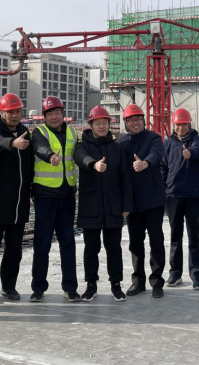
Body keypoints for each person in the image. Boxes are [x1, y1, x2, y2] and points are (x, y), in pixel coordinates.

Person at [74, 105, 133, 302]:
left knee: (114, 248)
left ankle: (116, 284)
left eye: (104, 123)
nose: (101, 126)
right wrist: (94, 164)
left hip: (113, 205)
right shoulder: (82, 146)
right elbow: (80, 158)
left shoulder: (117, 148)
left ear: (109, 124)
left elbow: (125, 177)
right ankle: (91, 285)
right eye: (97, 123)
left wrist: (126, 205)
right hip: (90, 205)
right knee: (91, 249)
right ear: (90, 125)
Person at [0, 93, 33, 304]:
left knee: (14, 250)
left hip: (18, 203)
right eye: (10, 112)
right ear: (1, 112)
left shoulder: (25, 132)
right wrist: (12, 143)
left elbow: (29, 165)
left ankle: (9, 286)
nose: (14, 115)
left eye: (17, 111)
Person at [30, 96, 80, 302]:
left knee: (68, 242)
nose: (54, 117)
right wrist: (50, 156)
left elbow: (79, 154)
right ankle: (38, 288)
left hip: (67, 196)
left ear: (62, 113)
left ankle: (70, 287)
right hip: (45, 196)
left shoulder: (73, 133)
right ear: (44, 116)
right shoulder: (39, 132)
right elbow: (39, 147)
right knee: (42, 243)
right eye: (50, 113)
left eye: (57, 112)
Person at [117, 104, 166, 299]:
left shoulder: (153, 138)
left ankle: (157, 281)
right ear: (126, 123)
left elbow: (157, 154)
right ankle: (138, 281)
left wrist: (145, 163)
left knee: (156, 241)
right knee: (135, 243)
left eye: (138, 119)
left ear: (144, 121)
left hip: (153, 200)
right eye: (131, 120)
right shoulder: (121, 142)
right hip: (133, 203)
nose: (135, 123)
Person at [160, 108, 199, 290]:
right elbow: (163, 167)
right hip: (173, 196)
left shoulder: (196, 139)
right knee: (175, 237)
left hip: (193, 195)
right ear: (173, 125)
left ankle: (196, 275)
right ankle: (175, 273)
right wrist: (164, 188)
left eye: (184, 124)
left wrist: (190, 153)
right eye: (178, 125)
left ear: (189, 124)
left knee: (194, 237)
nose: (180, 127)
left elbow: (197, 150)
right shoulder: (168, 143)